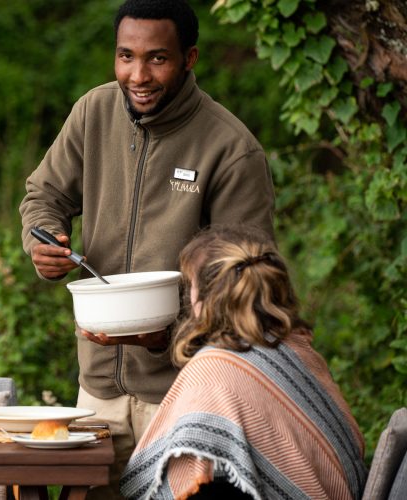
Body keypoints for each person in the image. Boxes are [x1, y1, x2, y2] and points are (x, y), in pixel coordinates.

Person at [18, 0, 275, 497]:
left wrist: (167, 338)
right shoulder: (93, 112)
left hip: (186, 394)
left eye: (157, 58)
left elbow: (248, 290)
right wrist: (42, 240)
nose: (138, 74)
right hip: (97, 390)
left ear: (189, 58)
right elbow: (44, 195)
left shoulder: (231, 149)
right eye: (125, 56)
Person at [120, 225, 367, 500]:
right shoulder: (299, 349)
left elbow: (194, 482)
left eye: (191, 285)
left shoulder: (214, 369)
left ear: (204, 299)